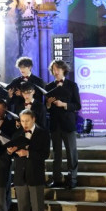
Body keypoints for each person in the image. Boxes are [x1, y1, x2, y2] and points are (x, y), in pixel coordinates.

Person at [10, 109, 50, 211]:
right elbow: (14, 155)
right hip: (20, 178)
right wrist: (11, 152)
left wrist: (28, 153)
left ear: (33, 119)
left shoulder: (43, 133)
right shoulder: (17, 134)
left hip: (35, 177)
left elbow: (45, 154)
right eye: (22, 121)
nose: (24, 124)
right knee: (23, 210)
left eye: (27, 121)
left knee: (38, 210)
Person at [46, 60, 81, 189]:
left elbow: (77, 105)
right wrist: (48, 104)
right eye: (53, 70)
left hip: (68, 124)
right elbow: (46, 108)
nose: (55, 72)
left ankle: (72, 179)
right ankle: (56, 178)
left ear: (63, 70)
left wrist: (64, 105)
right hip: (55, 124)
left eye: (58, 69)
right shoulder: (49, 86)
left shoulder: (72, 85)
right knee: (57, 154)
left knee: (71, 153)